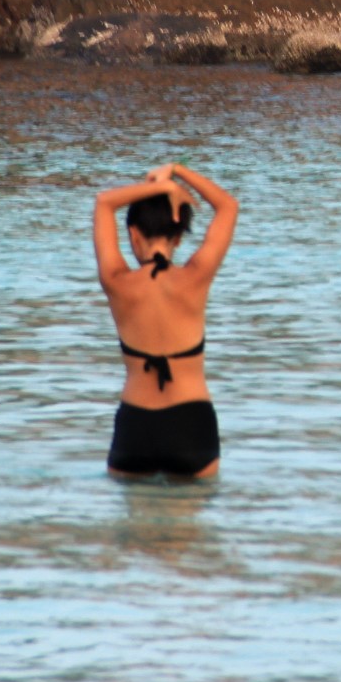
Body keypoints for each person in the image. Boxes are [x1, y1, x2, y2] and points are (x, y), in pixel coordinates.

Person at [92, 162, 238, 479]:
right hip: (191, 422)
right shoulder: (196, 277)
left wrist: (160, 188)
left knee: (134, 526)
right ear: (179, 238)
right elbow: (228, 206)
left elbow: (105, 201)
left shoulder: (116, 280)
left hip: (136, 425)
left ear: (132, 234)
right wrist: (177, 171)